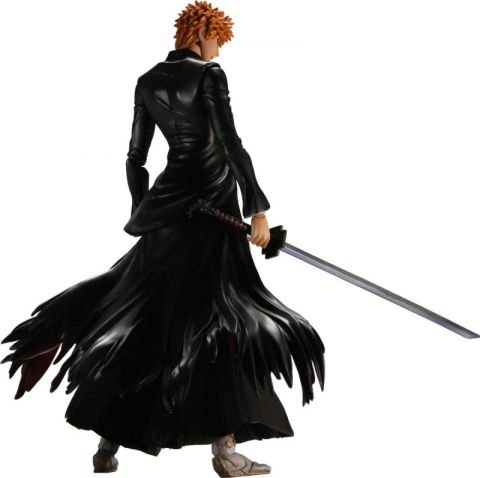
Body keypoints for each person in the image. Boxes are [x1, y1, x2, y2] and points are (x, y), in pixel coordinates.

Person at [1, 2, 325, 476]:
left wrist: (144, 211)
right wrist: (257, 208)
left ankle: (108, 443)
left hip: (166, 212)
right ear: (202, 33)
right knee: (220, 322)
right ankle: (226, 452)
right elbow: (230, 142)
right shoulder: (210, 75)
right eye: (217, 40)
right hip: (212, 211)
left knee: (150, 317)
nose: (218, 50)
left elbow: (135, 159)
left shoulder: (148, 80)